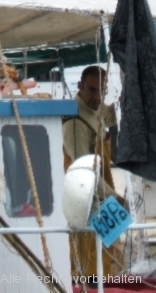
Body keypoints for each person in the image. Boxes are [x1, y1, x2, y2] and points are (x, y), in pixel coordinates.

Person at [62, 65, 124, 283]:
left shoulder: (99, 109)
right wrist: (115, 198)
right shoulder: (74, 121)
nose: (97, 97)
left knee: (113, 254)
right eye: (91, 90)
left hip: (103, 197)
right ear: (79, 87)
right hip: (86, 201)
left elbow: (110, 114)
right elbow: (83, 170)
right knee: (93, 262)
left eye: (101, 90)